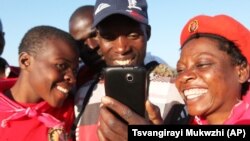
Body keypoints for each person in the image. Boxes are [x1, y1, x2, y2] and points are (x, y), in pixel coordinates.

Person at [73, 0, 186, 141]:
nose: (121, 48)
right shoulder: (82, 96)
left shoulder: (175, 93)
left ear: (148, 34)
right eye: (109, 37)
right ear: (99, 38)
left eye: (133, 35)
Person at [0, 25, 79, 141]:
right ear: (25, 61)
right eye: (61, 66)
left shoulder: (72, 108)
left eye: (75, 70)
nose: (72, 78)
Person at [175, 14, 250, 124]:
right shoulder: (184, 120)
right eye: (180, 70)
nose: (183, 76)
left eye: (202, 64)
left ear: (241, 72)